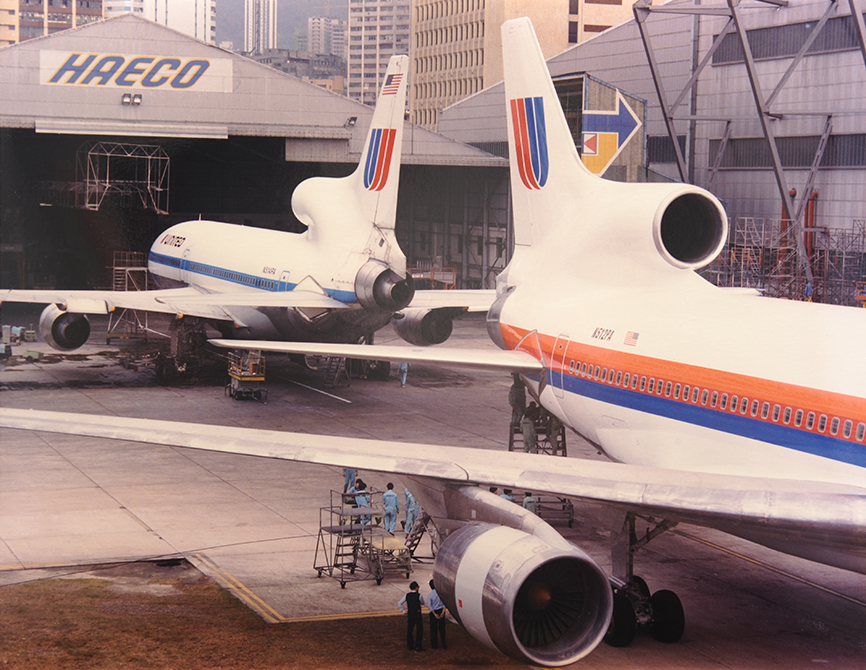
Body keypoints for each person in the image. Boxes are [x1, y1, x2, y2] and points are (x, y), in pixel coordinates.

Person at [398, 581, 425, 651]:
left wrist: (403, 611)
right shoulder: (419, 595)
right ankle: (418, 645)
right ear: (416, 588)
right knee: (419, 629)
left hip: (410, 614)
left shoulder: (407, 595)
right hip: (417, 614)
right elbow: (422, 602)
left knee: (410, 629)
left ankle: (410, 644)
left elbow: (399, 603)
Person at [427, 579, 447, 649]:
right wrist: (442, 612)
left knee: (433, 629)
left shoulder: (430, 595)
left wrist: (435, 614)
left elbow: (430, 606)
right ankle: (443, 643)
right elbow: (445, 603)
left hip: (434, 613)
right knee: (442, 628)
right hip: (441, 611)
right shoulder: (441, 594)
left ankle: (434, 645)